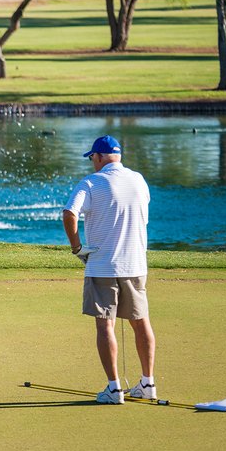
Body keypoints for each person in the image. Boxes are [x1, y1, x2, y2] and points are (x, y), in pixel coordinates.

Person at [62, 135, 157, 404]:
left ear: (100, 157)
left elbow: (69, 213)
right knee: (141, 323)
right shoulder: (139, 180)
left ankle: (114, 390)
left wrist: (77, 248)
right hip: (136, 264)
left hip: (102, 265)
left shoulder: (91, 182)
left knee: (106, 326)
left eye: (92, 157)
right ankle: (148, 384)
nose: (92, 162)